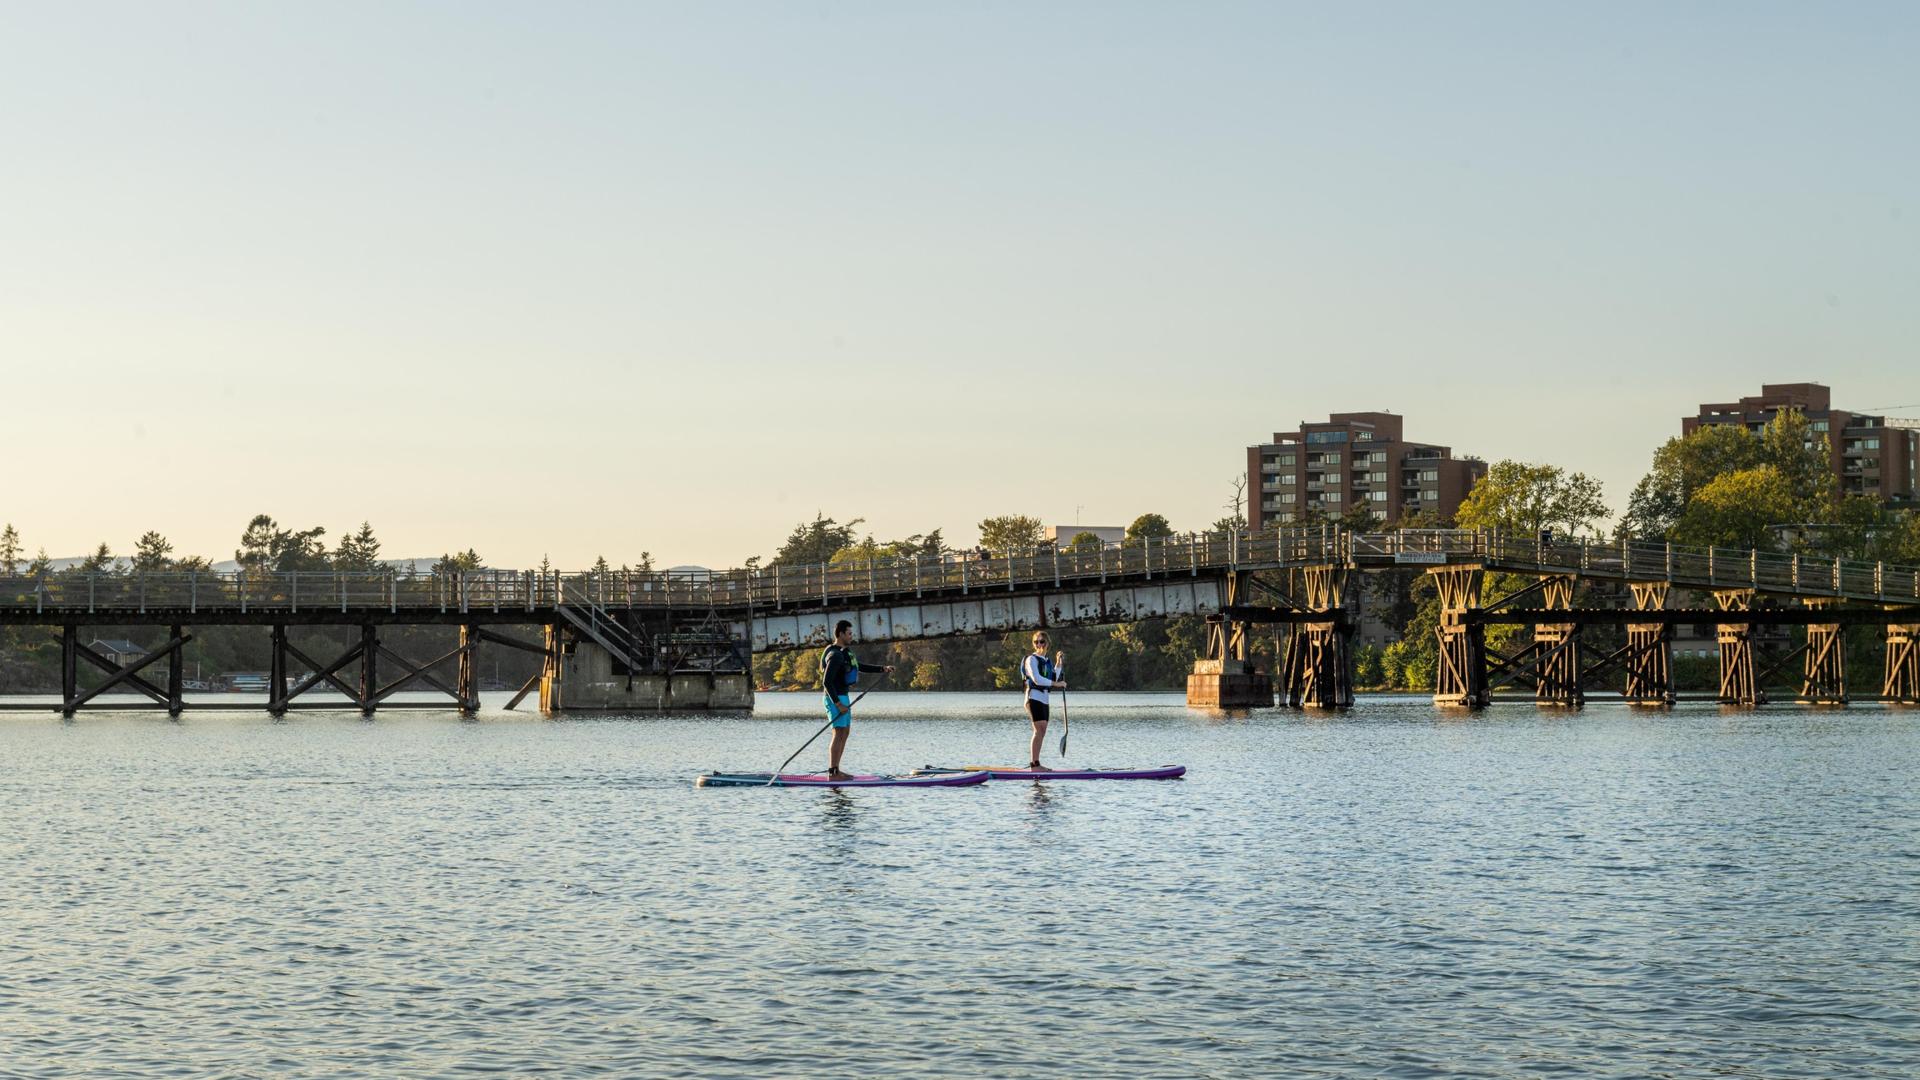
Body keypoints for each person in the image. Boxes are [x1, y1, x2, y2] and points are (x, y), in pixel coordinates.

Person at [820, 619, 891, 780]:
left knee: (845, 732)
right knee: (838, 733)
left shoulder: (843, 652)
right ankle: (832, 773)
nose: (852, 636)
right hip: (835, 699)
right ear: (841, 634)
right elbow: (826, 682)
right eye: (849, 633)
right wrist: (837, 703)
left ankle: (836, 770)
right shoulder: (834, 655)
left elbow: (858, 666)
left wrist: (882, 669)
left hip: (843, 697)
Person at [1020, 631, 1066, 770]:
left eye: (1042, 642)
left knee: (1043, 731)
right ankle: (1034, 765)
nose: (1039, 644)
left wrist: (1058, 663)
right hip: (1033, 697)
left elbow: (1053, 677)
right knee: (1038, 731)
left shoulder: (1047, 661)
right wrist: (1057, 684)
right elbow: (1037, 679)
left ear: (1047, 643)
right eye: (1036, 642)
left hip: (1044, 699)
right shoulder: (1031, 660)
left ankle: (1036, 763)